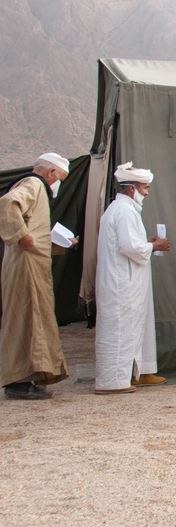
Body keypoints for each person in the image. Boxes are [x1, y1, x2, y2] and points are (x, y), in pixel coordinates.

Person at [94, 162, 171, 394]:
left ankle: (136, 372)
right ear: (131, 188)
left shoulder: (120, 210)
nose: (146, 193)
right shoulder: (124, 211)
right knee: (121, 329)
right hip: (121, 284)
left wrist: (146, 243)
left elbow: (129, 244)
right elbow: (130, 248)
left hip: (127, 281)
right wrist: (154, 245)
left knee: (134, 327)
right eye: (144, 188)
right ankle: (113, 382)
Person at [0, 153, 71, 399]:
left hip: (30, 264)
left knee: (34, 316)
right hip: (26, 265)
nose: (57, 184)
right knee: (26, 317)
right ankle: (18, 382)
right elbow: (8, 204)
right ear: (51, 172)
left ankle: (30, 377)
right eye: (59, 178)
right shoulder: (33, 184)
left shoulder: (35, 187)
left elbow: (36, 230)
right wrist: (22, 234)